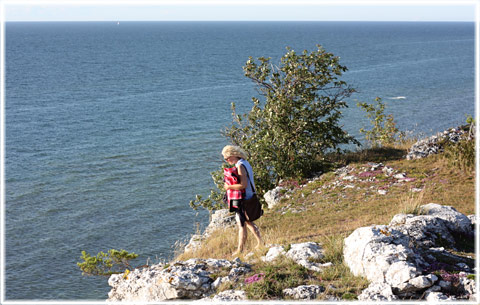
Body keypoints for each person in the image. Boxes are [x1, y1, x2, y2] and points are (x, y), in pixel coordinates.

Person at [222, 145, 262, 256]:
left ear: (233, 155)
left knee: (242, 223)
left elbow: (243, 185)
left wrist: (228, 187)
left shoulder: (240, 166)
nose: (226, 160)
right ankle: (259, 242)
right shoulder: (245, 162)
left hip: (243, 198)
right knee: (246, 222)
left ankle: (240, 249)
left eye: (227, 158)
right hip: (249, 195)